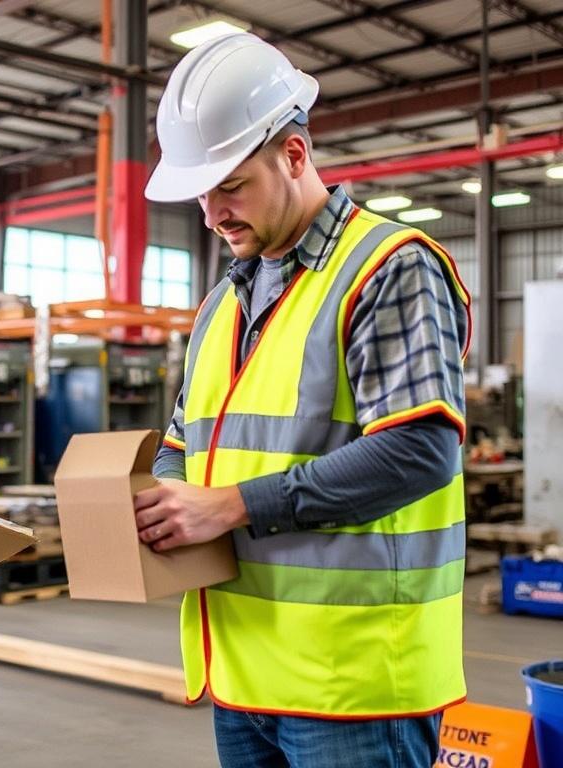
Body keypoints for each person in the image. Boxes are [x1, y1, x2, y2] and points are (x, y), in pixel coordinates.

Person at [136, 33, 471, 768]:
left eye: (230, 185)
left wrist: (227, 507)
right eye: (202, 193)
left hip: (353, 687)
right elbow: (184, 438)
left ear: (294, 156)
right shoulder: (222, 302)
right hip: (242, 674)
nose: (213, 214)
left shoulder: (388, 267)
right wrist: (164, 493)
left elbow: (419, 450)